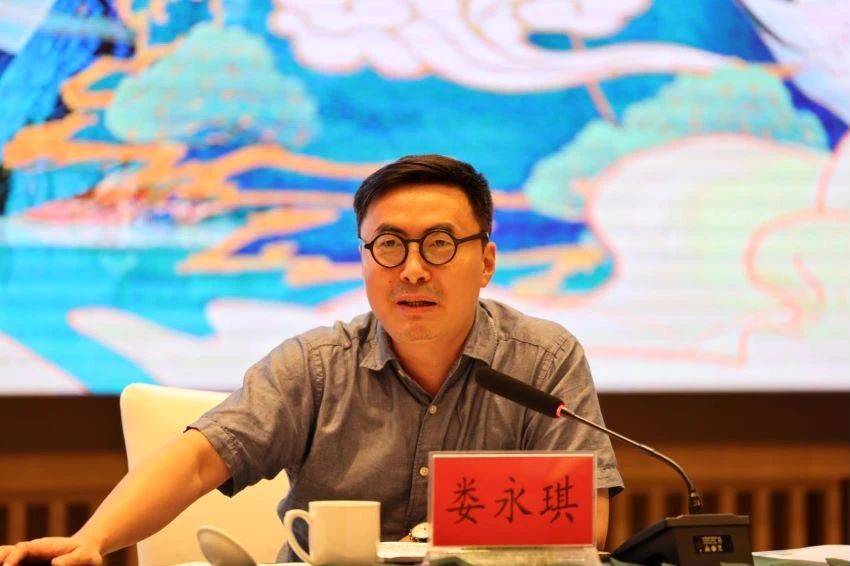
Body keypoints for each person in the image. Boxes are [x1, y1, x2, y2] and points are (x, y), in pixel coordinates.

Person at [0, 155, 623, 566]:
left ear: (485, 261)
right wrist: (91, 540)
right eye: (388, 245)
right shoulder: (317, 365)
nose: (412, 269)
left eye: (438, 244)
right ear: (363, 259)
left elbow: (586, 524)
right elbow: (196, 460)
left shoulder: (542, 361)